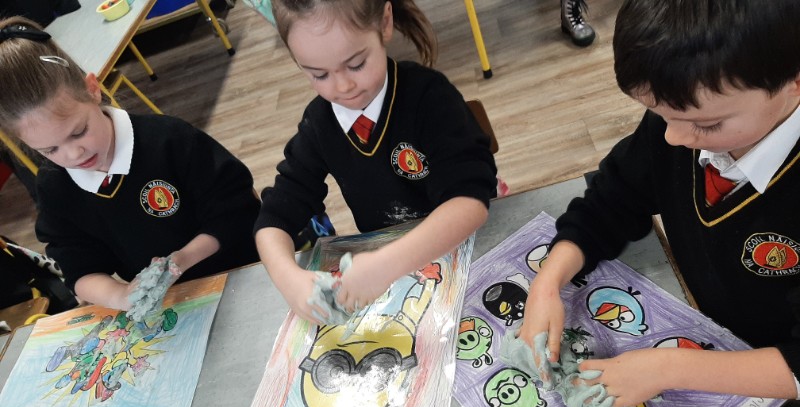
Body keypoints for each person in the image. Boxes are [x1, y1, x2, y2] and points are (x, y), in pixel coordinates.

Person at [518, 0, 800, 407]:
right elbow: (613, 199)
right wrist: (548, 282)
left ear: (794, 82)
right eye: (660, 115)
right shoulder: (684, 121)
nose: (673, 137)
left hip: (774, 398)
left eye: (707, 125)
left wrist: (670, 368)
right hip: (702, 320)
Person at [251, 0, 498, 324]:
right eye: (319, 74)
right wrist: (289, 279)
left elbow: (469, 203)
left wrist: (385, 265)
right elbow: (273, 217)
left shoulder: (429, 97)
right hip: (396, 268)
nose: (342, 87)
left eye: (356, 64)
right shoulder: (319, 123)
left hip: (470, 245)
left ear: (385, 21)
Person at [0, 17, 261, 311]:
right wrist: (120, 296)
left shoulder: (169, 140)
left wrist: (181, 260)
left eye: (78, 132)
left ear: (93, 89)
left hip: (241, 273)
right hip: (172, 305)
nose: (73, 155)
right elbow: (77, 265)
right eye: (50, 149)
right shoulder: (55, 186)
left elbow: (237, 210)